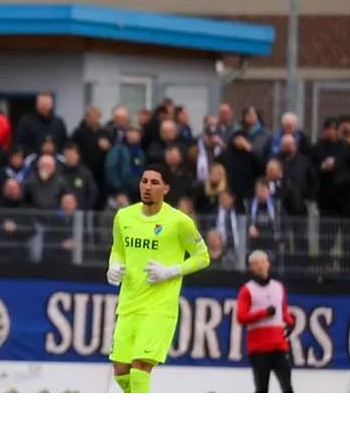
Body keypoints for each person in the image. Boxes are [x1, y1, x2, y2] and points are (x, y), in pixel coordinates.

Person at [106, 164, 210, 393]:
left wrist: (170, 271)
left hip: (159, 308)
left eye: (154, 183)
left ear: (166, 188)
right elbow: (118, 249)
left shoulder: (179, 221)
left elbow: (203, 257)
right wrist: (112, 266)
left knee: (139, 368)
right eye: (144, 181)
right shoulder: (124, 216)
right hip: (129, 305)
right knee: (121, 372)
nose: (147, 187)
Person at [235, 250, 295, 393]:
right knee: (262, 388)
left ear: (268, 264)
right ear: (251, 267)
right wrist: (263, 313)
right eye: (256, 264)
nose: (260, 266)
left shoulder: (278, 287)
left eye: (263, 262)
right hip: (258, 348)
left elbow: (283, 309)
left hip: (278, 345)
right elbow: (241, 317)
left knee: (287, 386)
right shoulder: (247, 290)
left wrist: (290, 322)